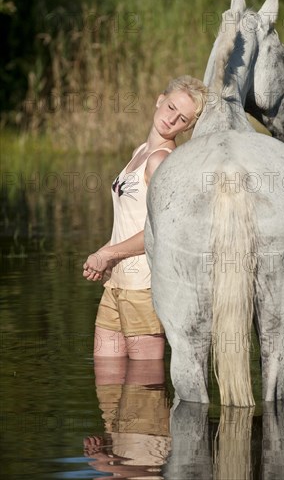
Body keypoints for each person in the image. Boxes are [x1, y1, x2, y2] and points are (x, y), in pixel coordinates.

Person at [83, 75, 208, 361]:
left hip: (144, 287)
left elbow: (161, 232)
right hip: (115, 284)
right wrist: (106, 256)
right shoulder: (141, 152)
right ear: (159, 100)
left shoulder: (161, 161)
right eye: (171, 107)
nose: (172, 119)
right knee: (108, 391)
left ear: (188, 128)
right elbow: (132, 222)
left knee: (145, 393)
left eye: (183, 119)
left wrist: (108, 254)